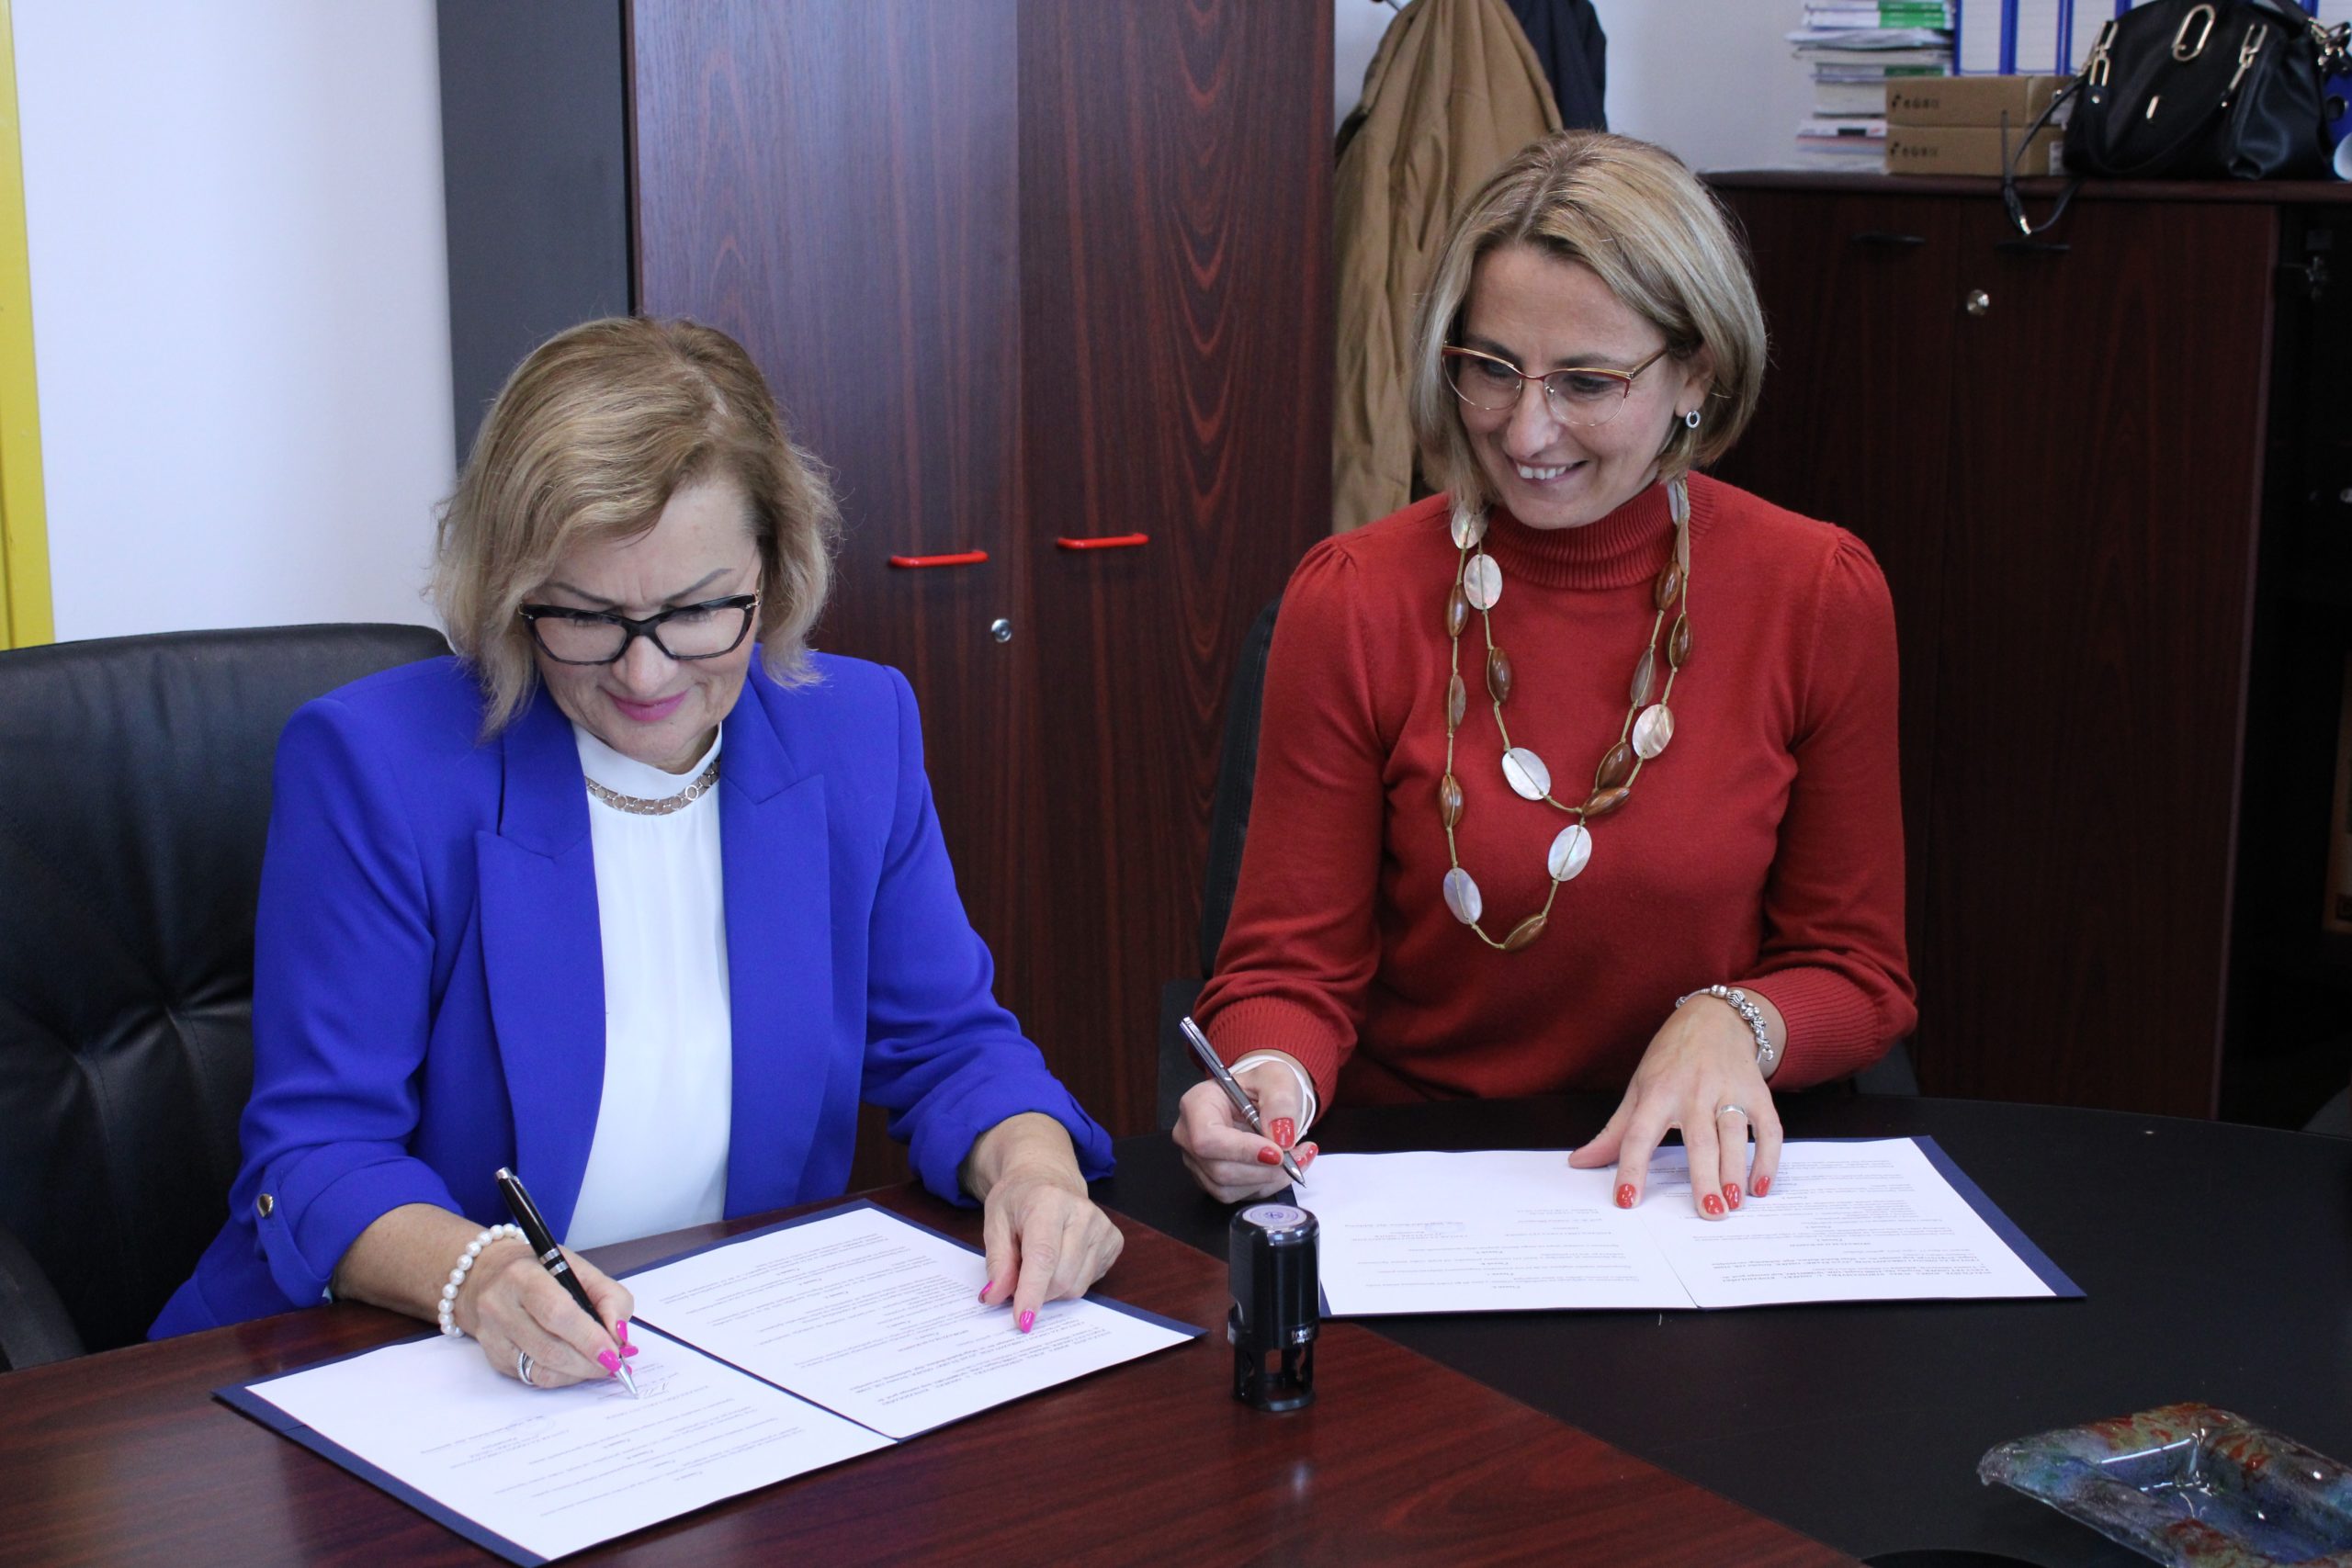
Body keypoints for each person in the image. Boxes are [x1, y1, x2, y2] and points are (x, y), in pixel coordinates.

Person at [153, 318, 1124, 1386]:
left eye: (698, 610)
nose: (647, 673)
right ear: (513, 591)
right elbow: (316, 1154)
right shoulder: (376, 766)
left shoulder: (853, 733)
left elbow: (949, 1047)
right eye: (586, 617)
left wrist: (1033, 1170)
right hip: (381, 1361)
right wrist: (481, 1275)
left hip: (701, 1367)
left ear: (775, 571)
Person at [1175, 131, 1916, 1218]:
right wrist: (1267, 1078)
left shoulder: (1816, 592)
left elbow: (1857, 971)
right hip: (1420, 1178)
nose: (1525, 431)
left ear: (1696, 373)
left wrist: (1737, 1019)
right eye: (1490, 369)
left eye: (1585, 381)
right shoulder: (1354, 599)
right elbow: (1288, 971)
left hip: (1697, 1179)